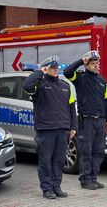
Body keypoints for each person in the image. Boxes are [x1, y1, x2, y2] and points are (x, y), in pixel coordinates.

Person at [22, 56, 77, 199]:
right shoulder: (39, 84)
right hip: (46, 129)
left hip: (62, 129)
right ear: (46, 69)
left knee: (59, 161)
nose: (55, 70)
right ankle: (47, 189)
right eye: (52, 67)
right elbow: (26, 85)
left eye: (56, 67)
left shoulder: (65, 86)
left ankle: (56, 187)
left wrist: (73, 127)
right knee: (45, 161)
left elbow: (71, 108)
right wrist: (40, 72)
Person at [63, 50, 107, 190]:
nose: (97, 66)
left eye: (97, 63)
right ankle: (85, 179)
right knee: (86, 151)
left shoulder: (102, 80)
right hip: (87, 121)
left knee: (99, 151)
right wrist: (81, 60)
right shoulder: (80, 78)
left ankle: (93, 178)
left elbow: (106, 101)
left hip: (100, 121)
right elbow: (67, 72)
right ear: (87, 65)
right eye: (93, 64)